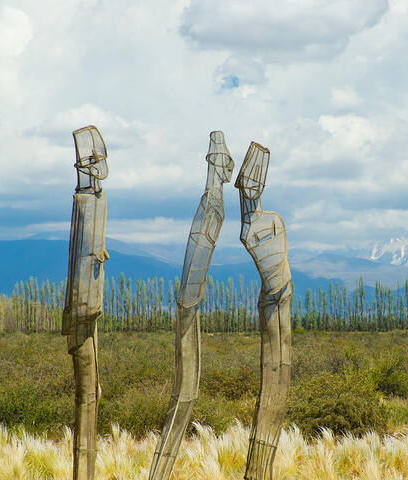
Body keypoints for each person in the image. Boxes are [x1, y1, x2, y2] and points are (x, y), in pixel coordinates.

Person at [149, 131, 234, 480]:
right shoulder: (212, 203)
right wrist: (189, 301)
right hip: (189, 306)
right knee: (185, 393)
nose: (229, 171)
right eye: (226, 163)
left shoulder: (212, 202)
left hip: (190, 304)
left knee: (188, 393)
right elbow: (196, 256)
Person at [236, 142, 292, 480]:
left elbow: (278, 265)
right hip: (272, 300)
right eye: (248, 182)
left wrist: (279, 288)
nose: (252, 188)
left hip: (279, 298)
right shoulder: (254, 228)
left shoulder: (273, 222)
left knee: (280, 371)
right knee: (274, 374)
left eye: (257, 182)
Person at [62, 125, 109, 480]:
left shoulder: (97, 200)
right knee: (87, 394)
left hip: (89, 313)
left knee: (94, 391)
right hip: (82, 313)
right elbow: (80, 256)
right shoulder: (84, 202)